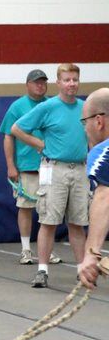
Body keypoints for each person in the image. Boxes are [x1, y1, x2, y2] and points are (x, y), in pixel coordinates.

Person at [11, 63, 88, 288]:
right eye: (67, 80)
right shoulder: (48, 107)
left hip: (80, 169)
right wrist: (39, 144)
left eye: (75, 79)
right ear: (59, 83)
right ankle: (42, 270)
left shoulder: (85, 108)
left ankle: (82, 269)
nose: (71, 84)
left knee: (77, 222)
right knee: (49, 221)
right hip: (55, 169)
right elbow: (17, 129)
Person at [0, 69, 61, 265]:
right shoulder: (17, 107)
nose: (40, 86)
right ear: (28, 84)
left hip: (50, 165)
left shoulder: (53, 104)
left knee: (48, 209)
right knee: (26, 207)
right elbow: (8, 136)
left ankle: (45, 249)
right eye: (36, 82)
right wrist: (11, 166)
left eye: (43, 82)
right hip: (27, 166)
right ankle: (26, 249)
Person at [77, 88, 109, 289]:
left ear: (99, 121)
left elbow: (104, 197)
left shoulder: (103, 153)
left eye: (84, 122)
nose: (85, 128)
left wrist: (91, 254)